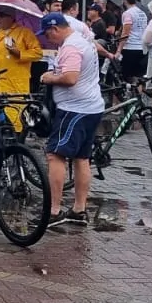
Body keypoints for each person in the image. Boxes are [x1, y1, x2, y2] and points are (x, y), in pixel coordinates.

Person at [38, 12, 105, 225]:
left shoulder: (71, 47)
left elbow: (70, 78)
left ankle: (54, 211)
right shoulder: (82, 40)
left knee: (55, 155)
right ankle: (79, 209)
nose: (48, 39)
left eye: (48, 34)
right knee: (81, 158)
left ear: (55, 28)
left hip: (74, 109)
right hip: (91, 106)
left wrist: (50, 78)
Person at [0, 7, 43, 132]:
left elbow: (38, 54)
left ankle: (16, 138)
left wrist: (19, 53)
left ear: (10, 17)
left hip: (16, 82)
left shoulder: (24, 33)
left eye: (1, 16)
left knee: (15, 112)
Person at [119, 0, 149, 82]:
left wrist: (118, 50)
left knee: (127, 77)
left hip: (130, 48)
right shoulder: (142, 13)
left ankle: (129, 95)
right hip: (142, 48)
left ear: (124, 1)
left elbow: (125, 33)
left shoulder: (127, 13)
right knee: (138, 77)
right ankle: (139, 95)